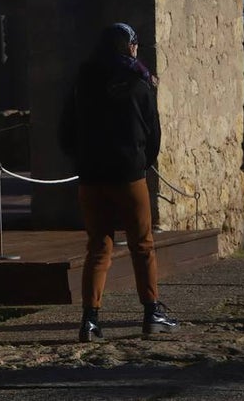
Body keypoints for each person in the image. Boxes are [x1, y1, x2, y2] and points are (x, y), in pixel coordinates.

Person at [59, 22, 179, 342]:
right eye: (134, 43)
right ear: (127, 46)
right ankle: (152, 312)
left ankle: (90, 321)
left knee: (99, 247)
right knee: (142, 244)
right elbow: (153, 133)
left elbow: (66, 131)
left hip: (91, 177)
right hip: (128, 175)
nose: (136, 48)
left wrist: (83, 160)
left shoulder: (83, 81)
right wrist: (141, 162)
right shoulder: (139, 82)